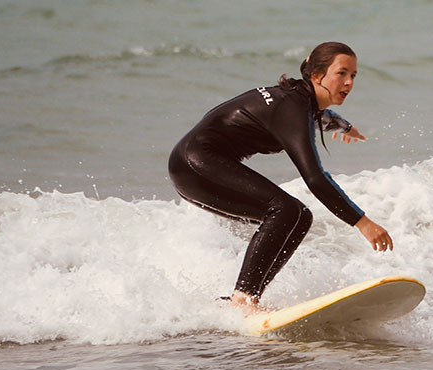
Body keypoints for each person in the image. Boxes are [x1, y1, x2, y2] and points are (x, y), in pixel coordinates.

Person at [168, 42, 393, 314]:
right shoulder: (293, 108)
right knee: (284, 210)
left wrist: (345, 126)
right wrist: (362, 222)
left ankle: (245, 300)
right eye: (342, 73)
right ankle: (244, 299)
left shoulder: (298, 100)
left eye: (353, 76)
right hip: (197, 164)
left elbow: (318, 116)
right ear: (318, 75)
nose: (348, 82)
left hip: (193, 165)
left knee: (299, 216)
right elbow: (315, 178)